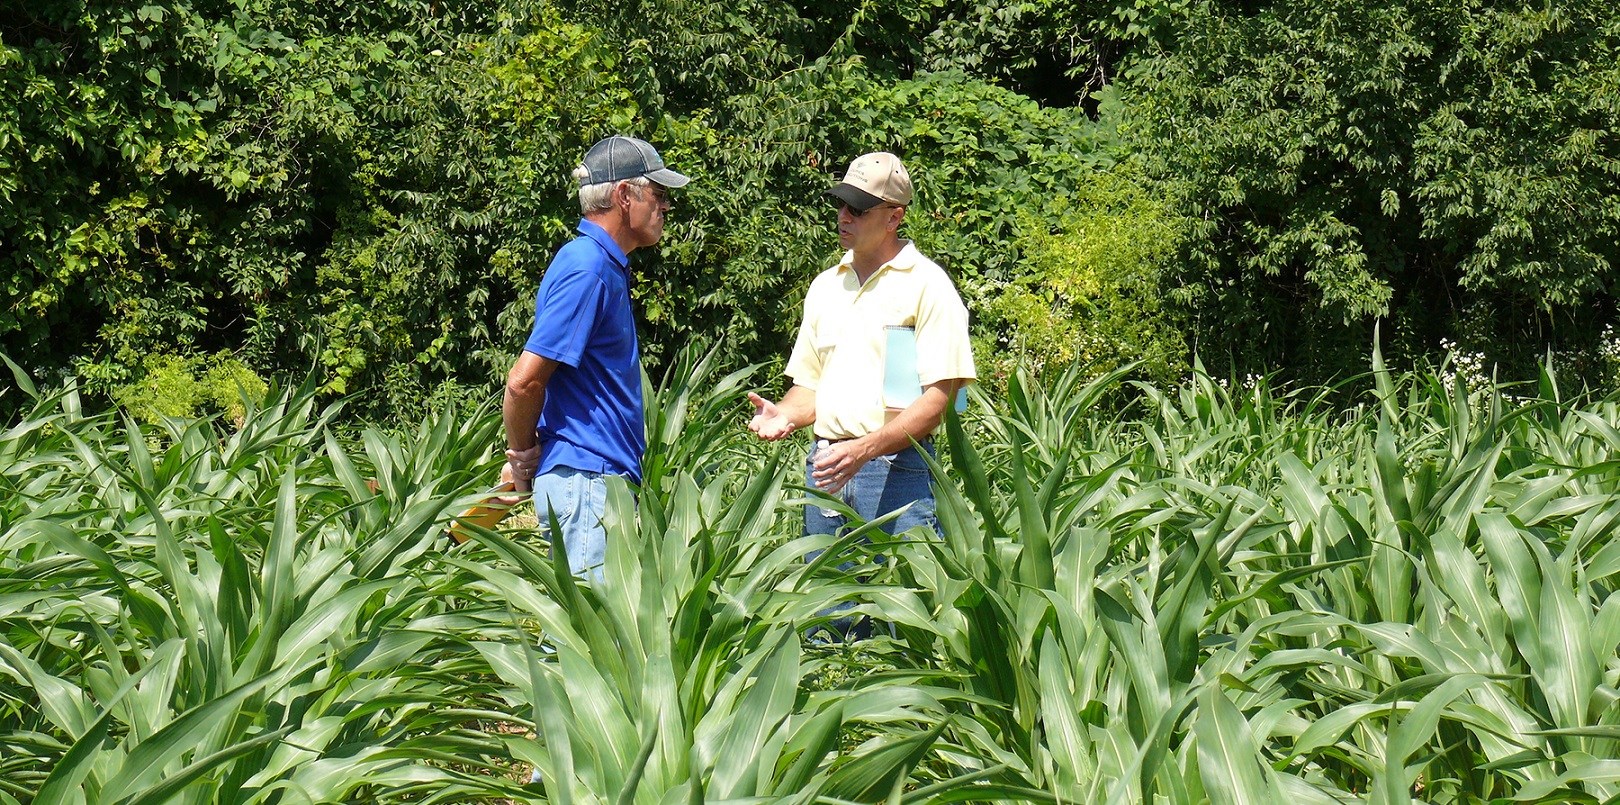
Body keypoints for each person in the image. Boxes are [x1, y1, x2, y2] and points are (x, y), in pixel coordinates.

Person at [747, 151, 976, 623]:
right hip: (827, 468)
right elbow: (809, 386)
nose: (844, 217)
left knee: (903, 626)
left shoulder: (928, 288)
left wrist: (866, 450)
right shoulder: (825, 287)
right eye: (840, 205)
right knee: (827, 622)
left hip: (896, 472)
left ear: (895, 217)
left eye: (858, 208)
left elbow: (938, 402)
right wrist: (785, 415)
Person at [501, 135, 689, 579]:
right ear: (625, 195)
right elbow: (524, 381)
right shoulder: (587, 267)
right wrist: (522, 456)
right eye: (659, 195)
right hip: (588, 480)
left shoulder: (597, 262)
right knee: (586, 639)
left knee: (588, 636)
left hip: (593, 479)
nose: (666, 208)